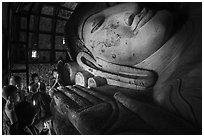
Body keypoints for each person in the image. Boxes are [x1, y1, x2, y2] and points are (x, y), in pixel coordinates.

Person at [65, 2, 201, 134]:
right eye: (99, 24)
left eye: (118, 3)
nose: (134, 6)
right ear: (91, 64)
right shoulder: (182, 101)